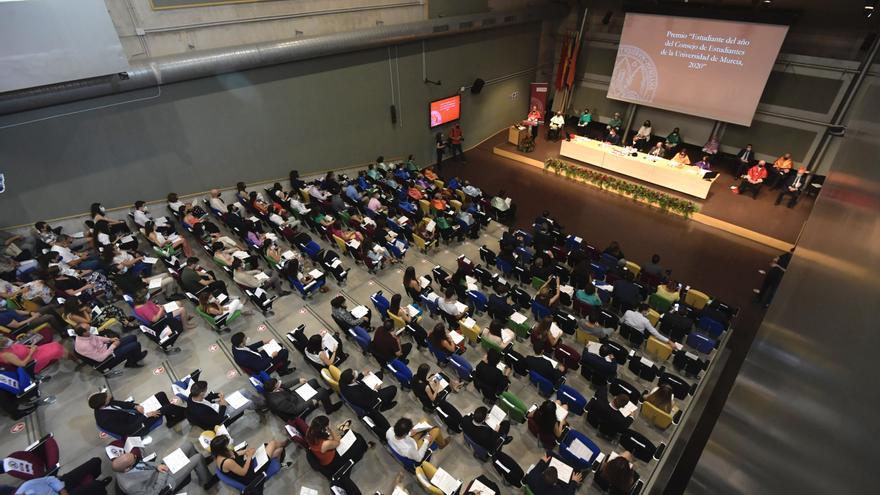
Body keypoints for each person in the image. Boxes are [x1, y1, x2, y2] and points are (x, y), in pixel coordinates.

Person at [112, 442, 210, 494]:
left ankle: (199, 467)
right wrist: (163, 473)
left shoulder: (125, 465)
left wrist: (157, 466)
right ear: (127, 469)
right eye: (134, 459)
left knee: (188, 445)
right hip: (164, 483)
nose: (136, 457)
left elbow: (141, 465)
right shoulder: (131, 486)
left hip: (159, 470)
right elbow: (154, 493)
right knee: (198, 458)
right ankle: (206, 482)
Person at [88, 390, 185, 438]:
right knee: (167, 407)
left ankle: (171, 419)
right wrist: (146, 415)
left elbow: (122, 404)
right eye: (107, 397)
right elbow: (128, 430)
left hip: (135, 417)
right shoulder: (105, 420)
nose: (109, 396)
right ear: (103, 404)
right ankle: (186, 413)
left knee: (161, 395)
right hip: (137, 428)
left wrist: (135, 406)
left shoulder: (106, 403)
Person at [210, 433, 290, 489]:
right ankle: (284, 444)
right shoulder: (227, 462)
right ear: (222, 449)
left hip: (245, 466)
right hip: (250, 475)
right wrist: (249, 456)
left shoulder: (218, 454)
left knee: (279, 450)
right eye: (226, 445)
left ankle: (279, 459)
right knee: (273, 444)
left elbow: (234, 454)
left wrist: (245, 452)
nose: (228, 446)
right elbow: (243, 472)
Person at [305, 415, 371, 472]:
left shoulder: (309, 432)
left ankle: (344, 428)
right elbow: (337, 442)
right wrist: (330, 429)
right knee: (357, 438)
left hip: (325, 453)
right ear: (323, 429)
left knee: (344, 437)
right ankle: (344, 428)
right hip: (333, 461)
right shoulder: (325, 444)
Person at [186, 380, 258, 430]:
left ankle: (259, 403)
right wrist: (223, 406)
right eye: (206, 390)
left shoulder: (193, 395)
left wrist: (217, 395)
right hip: (221, 414)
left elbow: (207, 396)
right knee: (249, 402)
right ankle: (258, 406)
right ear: (201, 393)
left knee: (243, 391)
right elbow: (217, 421)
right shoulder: (200, 411)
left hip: (218, 406)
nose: (208, 391)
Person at [14, 458, 108, 495]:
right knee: (96, 486)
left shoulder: (26, 486)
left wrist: (62, 490)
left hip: (61, 486)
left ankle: (95, 481)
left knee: (95, 462)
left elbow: (49, 479)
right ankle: (101, 486)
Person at [263, 377, 342, 420]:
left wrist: (298, 380)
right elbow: (295, 409)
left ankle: (322, 396)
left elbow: (284, 385)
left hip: (293, 396)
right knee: (322, 391)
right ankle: (329, 408)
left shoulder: (271, 389)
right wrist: (310, 402)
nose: (280, 384)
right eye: (277, 384)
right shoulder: (278, 402)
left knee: (313, 381)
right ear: (274, 389)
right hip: (296, 404)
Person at [74, 327, 146, 368]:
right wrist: (113, 346)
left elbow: (97, 338)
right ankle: (133, 361)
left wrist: (110, 340)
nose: (90, 330)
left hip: (106, 348)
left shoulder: (84, 335)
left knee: (132, 337)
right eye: (88, 330)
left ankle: (134, 358)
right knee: (135, 345)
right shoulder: (84, 345)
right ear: (84, 333)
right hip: (106, 358)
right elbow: (100, 358)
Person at [0, 335, 65, 374]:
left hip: (33, 351)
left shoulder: (8, 346)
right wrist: (31, 352)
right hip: (32, 361)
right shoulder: (7, 355)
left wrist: (29, 346)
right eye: (6, 341)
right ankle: (73, 357)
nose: (9, 341)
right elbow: (22, 364)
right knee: (57, 350)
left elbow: (18, 346)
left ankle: (71, 355)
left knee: (55, 344)